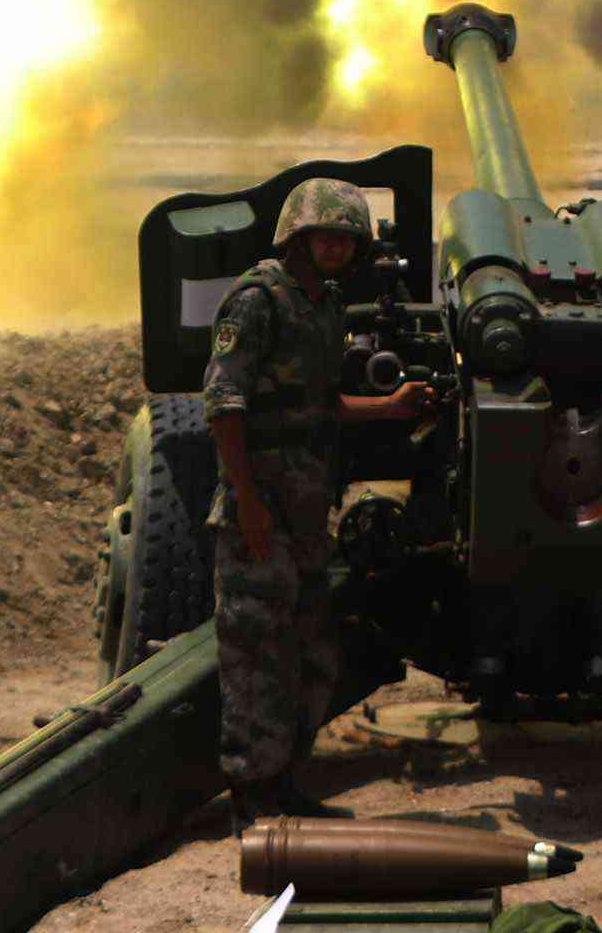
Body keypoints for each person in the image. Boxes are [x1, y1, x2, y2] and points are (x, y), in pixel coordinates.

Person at [202, 178, 433, 826]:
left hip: (305, 505)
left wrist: (390, 407)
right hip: (260, 505)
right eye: (323, 236)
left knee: (312, 652)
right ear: (297, 238)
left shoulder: (325, 305)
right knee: (254, 651)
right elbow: (224, 405)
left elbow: (322, 404)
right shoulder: (258, 301)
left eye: (344, 239)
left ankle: (284, 780)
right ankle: (252, 794)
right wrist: (246, 499)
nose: (334, 248)